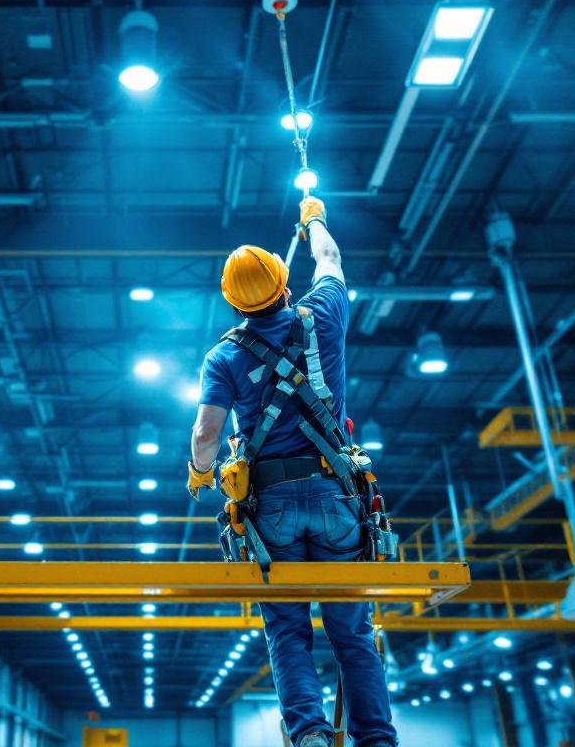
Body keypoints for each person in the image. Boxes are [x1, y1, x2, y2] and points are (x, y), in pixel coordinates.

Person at [185, 196, 396, 747]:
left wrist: (199, 473)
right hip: (335, 497)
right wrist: (313, 218)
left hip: (272, 509)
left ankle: (310, 737)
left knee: (287, 633)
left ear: (233, 303)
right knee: (352, 634)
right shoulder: (322, 314)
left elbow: (207, 435)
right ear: (283, 284)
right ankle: (377, 740)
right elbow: (329, 258)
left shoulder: (223, 357)